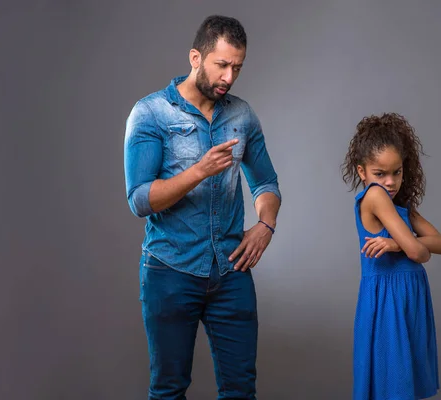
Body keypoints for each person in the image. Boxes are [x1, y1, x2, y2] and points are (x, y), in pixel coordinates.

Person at [123, 15, 281, 400]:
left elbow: (266, 182)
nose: (229, 77)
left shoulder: (241, 115)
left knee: (241, 389)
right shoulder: (151, 114)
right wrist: (198, 171)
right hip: (170, 271)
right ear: (196, 57)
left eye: (237, 68)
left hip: (231, 271)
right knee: (168, 390)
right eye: (222, 65)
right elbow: (139, 200)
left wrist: (266, 224)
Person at [341, 113, 441, 399]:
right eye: (380, 173)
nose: (390, 181)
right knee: (393, 384)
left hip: (409, 296)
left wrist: (396, 244)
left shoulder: (399, 205)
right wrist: (410, 246)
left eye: (397, 172)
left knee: (406, 383)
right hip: (388, 299)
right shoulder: (375, 196)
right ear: (362, 171)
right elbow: (421, 252)